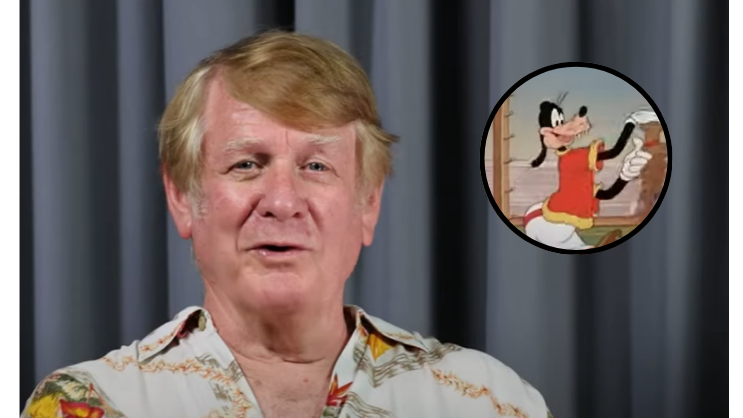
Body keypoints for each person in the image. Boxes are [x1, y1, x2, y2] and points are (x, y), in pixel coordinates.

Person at [22, 30, 553, 418]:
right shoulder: (89, 404)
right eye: (246, 164)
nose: (282, 201)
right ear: (182, 196)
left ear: (368, 203)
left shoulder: (491, 402)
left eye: (316, 166)